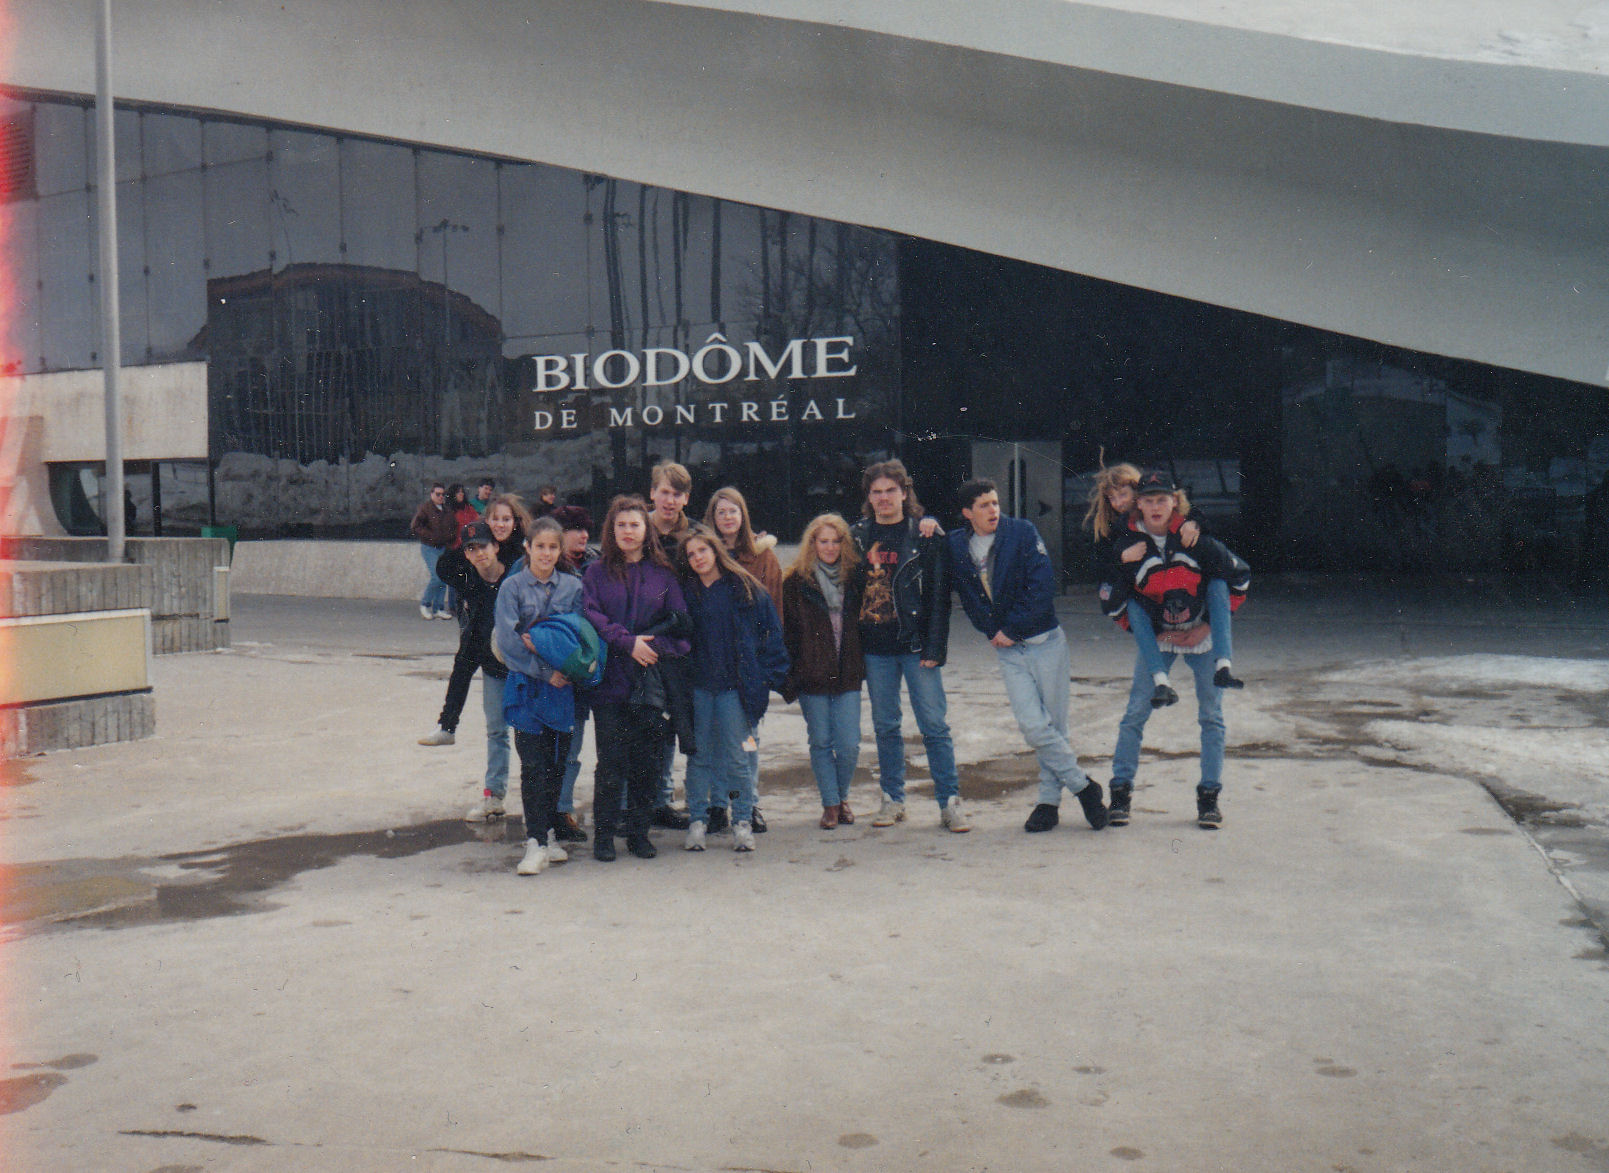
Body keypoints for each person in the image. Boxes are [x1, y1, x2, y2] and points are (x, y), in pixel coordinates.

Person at [949, 480, 1108, 834]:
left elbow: (1042, 586)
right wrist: (990, 631)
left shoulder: (1022, 532)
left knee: (1054, 727)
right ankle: (1084, 787)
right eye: (984, 505)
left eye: (995, 503)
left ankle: (1048, 803)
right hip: (1008, 651)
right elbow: (970, 596)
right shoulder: (958, 545)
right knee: (1034, 727)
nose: (993, 510)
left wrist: (1011, 628)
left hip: (1045, 643)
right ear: (966, 513)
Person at [1100, 469, 1250, 829]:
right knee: (1136, 712)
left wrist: (1208, 627)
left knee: (1211, 715)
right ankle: (1120, 793)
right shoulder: (1128, 543)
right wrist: (1154, 637)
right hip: (1160, 637)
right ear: (1138, 504)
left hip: (1201, 634)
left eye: (1162, 499)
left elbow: (1239, 577)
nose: (1155, 507)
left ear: (1175, 501)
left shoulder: (1194, 536)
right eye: (1148, 500)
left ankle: (1209, 798)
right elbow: (1113, 600)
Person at [849, 459, 964, 832]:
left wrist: (935, 648)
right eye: (876, 492)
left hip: (915, 645)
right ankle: (892, 800)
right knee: (885, 727)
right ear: (869, 497)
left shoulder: (924, 535)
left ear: (904, 492)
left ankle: (950, 803)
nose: (884, 498)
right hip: (874, 646)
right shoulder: (858, 536)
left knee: (933, 725)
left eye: (890, 491)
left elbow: (938, 598)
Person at [582, 495, 691, 862]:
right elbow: (591, 615)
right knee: (610, 761)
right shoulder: (597, 572)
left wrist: (650, 646)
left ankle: (639, 832)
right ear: (612, 530)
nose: (628, 531)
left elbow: (681, 623)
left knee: (648, 761)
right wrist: (626, 642)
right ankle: (603, 834)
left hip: (649, 682)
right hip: (611, 680)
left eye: (635, 524)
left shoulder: (663, 574)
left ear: (646, 530)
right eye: (622, 525)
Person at [1085, 460, 1242, 707]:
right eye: (1111, 499)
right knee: (1139, 706)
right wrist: (1121, 558)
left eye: (1123, 494)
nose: (1118, 503)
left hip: (1193, 615)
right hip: (1156, 621)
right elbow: (1102, 573)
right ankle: (1161, 682)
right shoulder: (1115, 531)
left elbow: (1192, 516)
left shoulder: (1168, 513)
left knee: (1211, 709)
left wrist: (1196, 523)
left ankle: (1223, 665)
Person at [678, 528, 789, 853]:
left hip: (735, 691)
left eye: (702, 550)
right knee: (698, 758)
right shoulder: (687, 593)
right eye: (691, 554)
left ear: (715, 551)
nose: (698, 558)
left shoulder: (745, 589)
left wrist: (765, 676)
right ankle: (697, 819)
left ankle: (741, 820)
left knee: (739, 757)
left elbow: (772, 636)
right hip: (699, 690)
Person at [493, 516, 586, 875]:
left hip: (562, 689)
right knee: (532, 765)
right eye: (539, 546)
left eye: (552, 547)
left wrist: (547, 646)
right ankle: (534, 842)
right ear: (527, 548)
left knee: (556, 765)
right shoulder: (512, 588)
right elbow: (509, 641)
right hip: (528, 689)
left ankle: (547, 833)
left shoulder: (573, 587)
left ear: (560, 550)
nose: (545, 553)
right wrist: (547, 668)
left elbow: (577, 636)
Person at [418, 494, 531, 752]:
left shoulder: (522, 551)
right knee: (463, 664)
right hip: (479, 621)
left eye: (506, 519)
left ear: (515, 521)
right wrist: (470, 542)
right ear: (486, 521)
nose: (500, 525)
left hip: (508, 633)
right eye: (494, 519)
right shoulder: (480, 545)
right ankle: (447, 726)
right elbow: (445, 567)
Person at [703, 485, 783, 834]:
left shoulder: (763, 557)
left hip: (749, 668)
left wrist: (767, 667)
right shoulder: (705, 554)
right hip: (715, 664)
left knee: (748, 740)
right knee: (718, 740)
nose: (727, 518)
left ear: (743, 515)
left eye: (733, 511)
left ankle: (747, 803)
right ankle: (719, 803)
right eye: (720, 512)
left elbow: (774, 614)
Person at [781, 513, 866, 829]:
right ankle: (831, 804)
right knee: (820, 741)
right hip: (811, 674)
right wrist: (790, 676)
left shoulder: (856, 578)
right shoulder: (795, 582)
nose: (829, 548)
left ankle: (841, 795)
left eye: (836, 541)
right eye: (823, 541)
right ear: (812, 543)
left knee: (849, 743)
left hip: (848, 671)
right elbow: (787, 632)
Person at [645, 462, 696, 830]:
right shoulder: (635, 527)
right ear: (652, 493)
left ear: (686, 498)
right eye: (664, 491)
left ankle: (661, 800)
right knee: (638, 721)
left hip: (677, 641)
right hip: (639, 638)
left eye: (677, 493)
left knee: (668, 724)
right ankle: (635, 802)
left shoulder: (693, 535)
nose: (670, 500)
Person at [550, 503, 599, 843]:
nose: (582, 535)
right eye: (574, 529)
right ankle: (555, 809)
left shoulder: (596, 563)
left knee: (576, 745)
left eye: (585, 529)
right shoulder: (547, 566)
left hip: (592, 667)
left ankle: (562, 807)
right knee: (561, 747)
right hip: (558, 671)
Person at [410, 482, 457, 620]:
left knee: (443, 577)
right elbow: (415, 526)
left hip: (442, 547)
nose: (441, 497)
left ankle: (438, 608)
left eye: (443, 494)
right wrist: (430, 536)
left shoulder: (447, 510)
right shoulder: (425, 509)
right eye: (438, 494)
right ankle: (425, 604)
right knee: (436, 576)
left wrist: (449, 537)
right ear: (431, 494)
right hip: (429, 547)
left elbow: (454, 526)